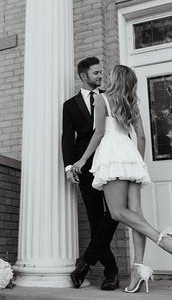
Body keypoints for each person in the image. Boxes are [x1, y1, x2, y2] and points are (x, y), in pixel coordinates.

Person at [72, 64, 172, 294]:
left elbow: (98, 134)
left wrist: (81, 160)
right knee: (135, 213)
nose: (106, 76)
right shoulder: (131, 102)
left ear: (116, 78)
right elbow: (143, 137)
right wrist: (138, 162)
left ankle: (164, 240)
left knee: (117, 212)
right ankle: (138, 268)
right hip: (130, 154)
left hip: (112, 155)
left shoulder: (102, 100)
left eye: (110, 74)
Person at [62, 57, 119, 290]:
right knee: (96, 219)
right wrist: (69, 167)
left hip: (111, 162)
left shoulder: (110, 97)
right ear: (83, 76)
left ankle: (85, 263)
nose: (100, 76)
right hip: (85, 168)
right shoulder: (70, 105)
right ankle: (111, 272)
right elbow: (67, 138)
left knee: (115, 213)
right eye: (96, 73)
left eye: (101, 72)